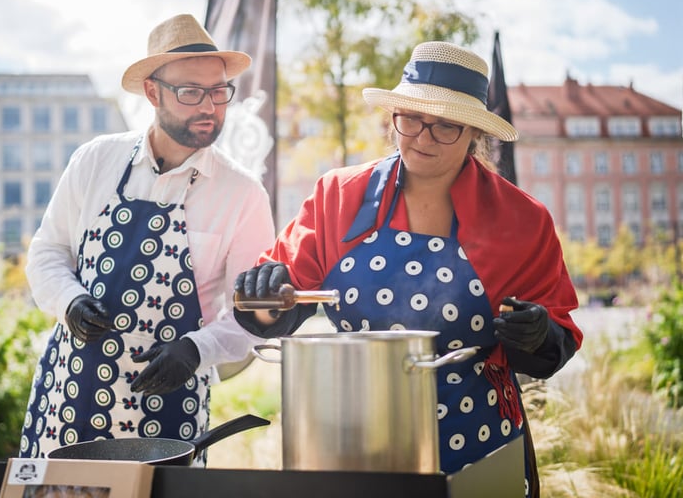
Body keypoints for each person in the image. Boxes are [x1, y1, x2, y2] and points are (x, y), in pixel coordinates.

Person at [233, 41, 583, 496]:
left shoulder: (522, 219)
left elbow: (556, 340)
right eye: (411, 119)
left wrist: (539, 336)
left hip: (476, 442)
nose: (421, 137)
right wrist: (262, 297)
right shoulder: (338, 196)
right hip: (350, 440)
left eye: (445, 127)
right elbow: (279, 305)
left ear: (474, 133)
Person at [19, 13, 275, 461]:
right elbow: (47, 253)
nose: (210, 107)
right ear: (153, 93)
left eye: (219, 92)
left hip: (169, 412)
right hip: (71, 397)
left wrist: (197, 349)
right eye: (191, 92)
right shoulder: (95, 161)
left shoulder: (244, 195)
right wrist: (69, 301)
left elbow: (250, 315)